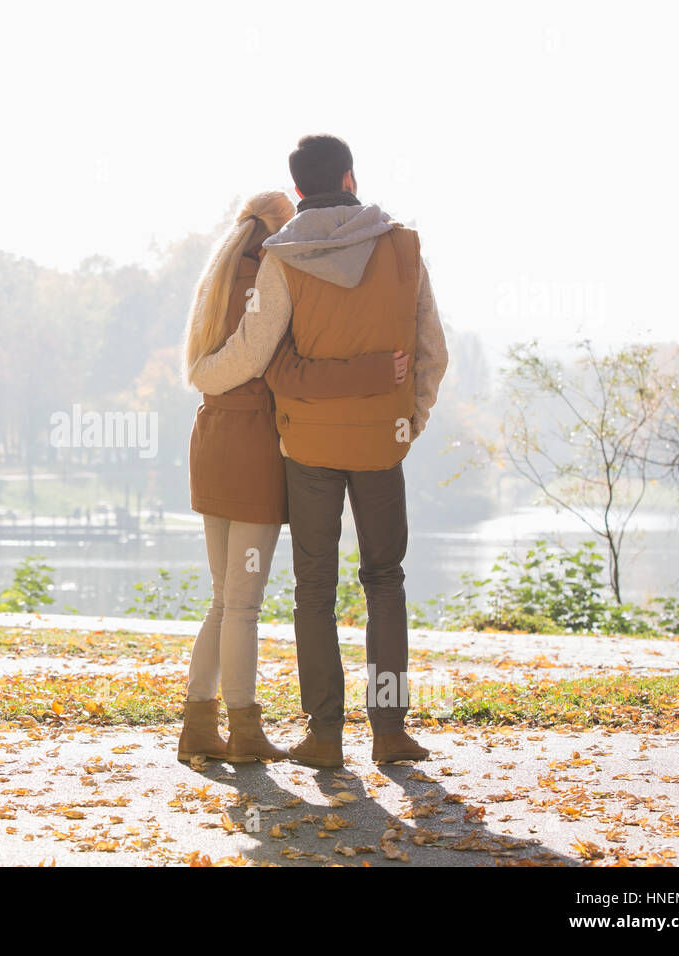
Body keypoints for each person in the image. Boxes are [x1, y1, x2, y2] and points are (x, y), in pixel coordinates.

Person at [190, 136, 449, 767]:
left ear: (299, 190)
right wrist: (406, 423)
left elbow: (257, 353)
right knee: (386, 581)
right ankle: (388, 730)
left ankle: (324, 735)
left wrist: (202, 372)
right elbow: (431, 349)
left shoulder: (285, 257)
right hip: (380, 446)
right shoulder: (403, 245)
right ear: (352, 178)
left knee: (315, 588)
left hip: (306, 447)